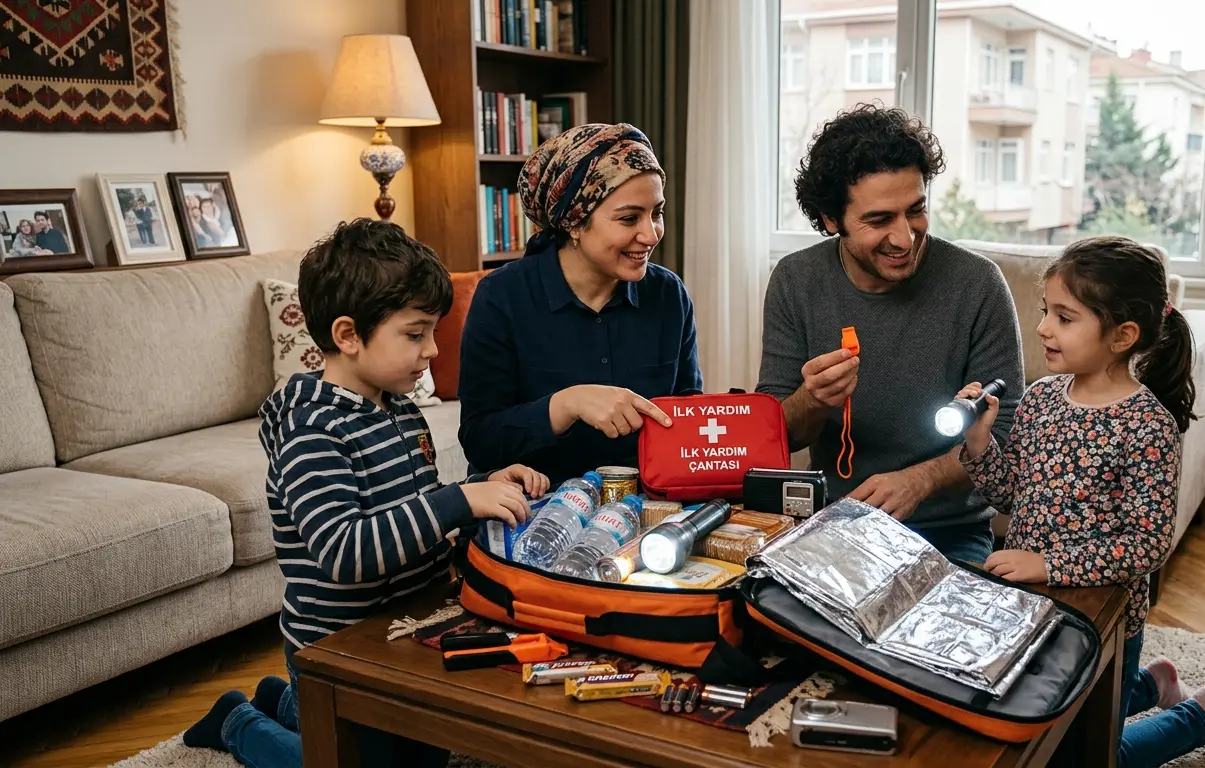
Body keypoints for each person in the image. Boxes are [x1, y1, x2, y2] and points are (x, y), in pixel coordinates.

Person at [181, 219, 551, 767]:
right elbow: (345, 551)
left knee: (427, 755)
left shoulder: (400, 411)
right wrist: (457, 502)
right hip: (339, 649)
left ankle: (288, 705)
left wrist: (483, 490)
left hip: (405, 632)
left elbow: (413, 506)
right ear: (349, 335)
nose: (432, 349)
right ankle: (239, 720)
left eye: (432, 331)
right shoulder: (311, 432)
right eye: (414, 333)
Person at [958, 236, 1205, 767]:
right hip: (1034, 610)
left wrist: (1049, 563)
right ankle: (1153, 684)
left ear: (1123, 335)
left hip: (1104, 622)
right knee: (1041, 731)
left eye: (1064, 317)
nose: (1043, 328)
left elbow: (1147, 547)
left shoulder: (1147, 426)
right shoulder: (1041, 398)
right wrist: (981, 443)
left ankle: (1199, 715)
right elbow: (1010, 493)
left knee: (1092, 758)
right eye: (1046, 311)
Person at [756, 104, 1023, 565]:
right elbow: (776, 433)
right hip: (833, 522)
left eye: (915, 210)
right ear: (830, 219)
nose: (904, 237)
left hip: (948, 531)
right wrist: (812, 400)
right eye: (879, 220)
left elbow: (1006, 435)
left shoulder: (978, 285)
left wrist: (920, 480)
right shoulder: (795, 280)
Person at [458, 123, 702, 485]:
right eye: (629, 218)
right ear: (574, 222)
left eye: (657, 213)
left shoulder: (669, 295)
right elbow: (481, 443)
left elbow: (686, 420)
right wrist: (565, 405)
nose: (651, 234)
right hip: (536, 510)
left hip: (647, 505)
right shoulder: (502, 297)